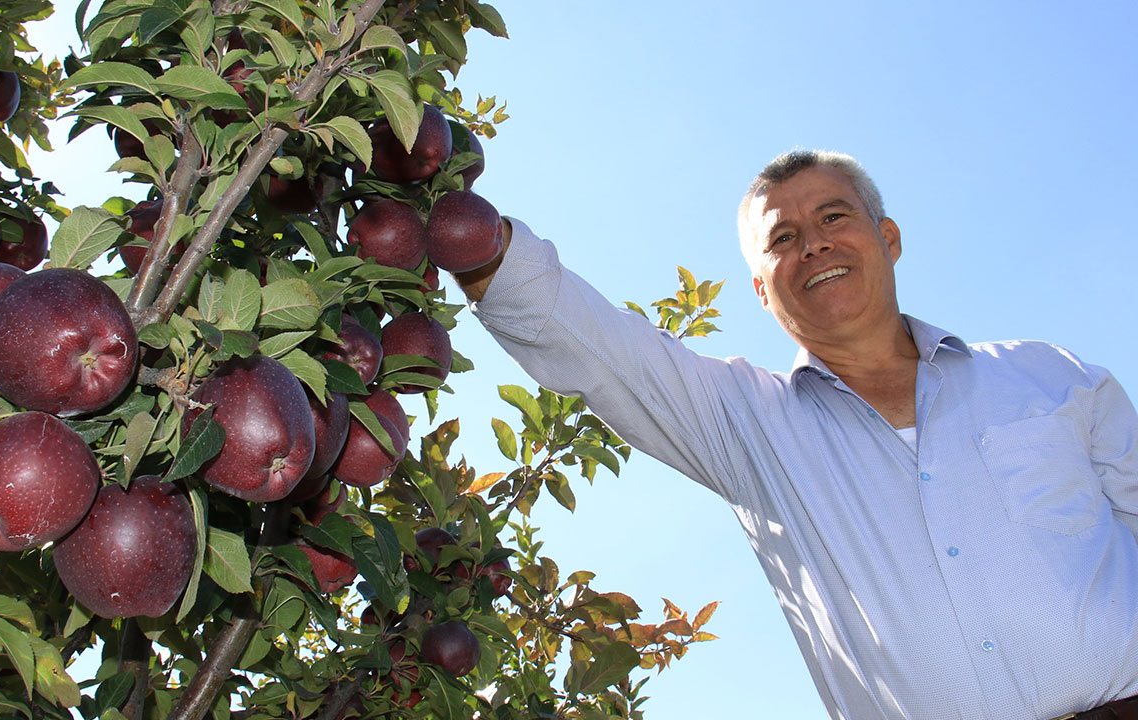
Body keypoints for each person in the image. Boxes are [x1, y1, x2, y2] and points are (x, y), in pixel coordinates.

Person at [453, 150, 1138, 720]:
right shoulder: (748, 423)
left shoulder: (1047, 376)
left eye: (835, 216)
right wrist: (446, 214)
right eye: (782, 238)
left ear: (888, 237)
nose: (813, 243)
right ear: (761, 287)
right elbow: (589, 340)